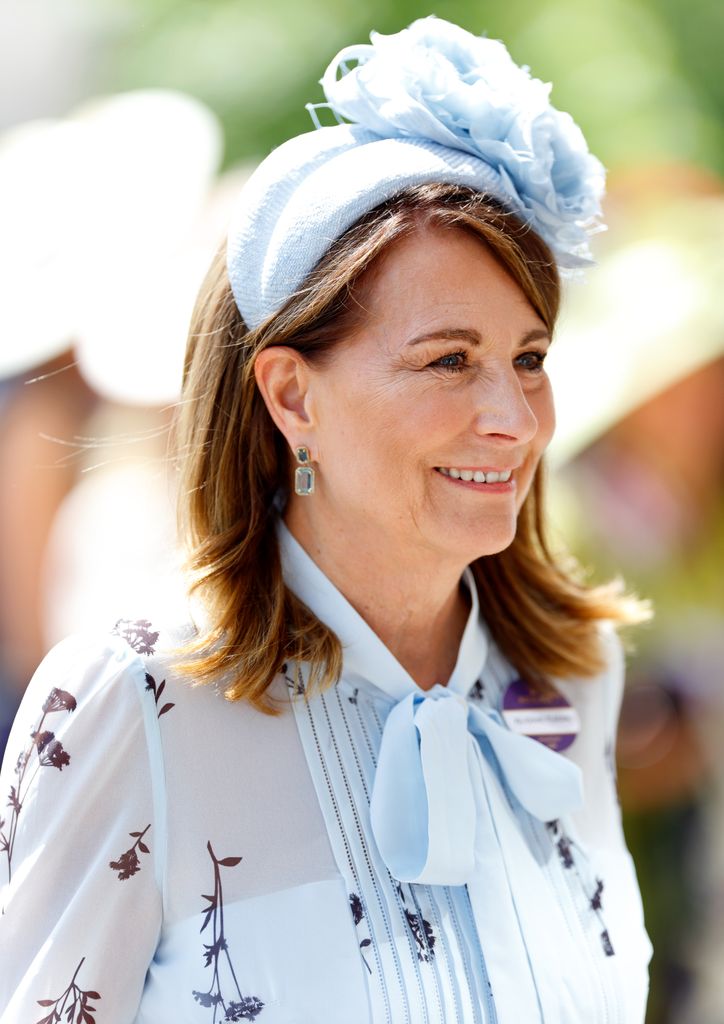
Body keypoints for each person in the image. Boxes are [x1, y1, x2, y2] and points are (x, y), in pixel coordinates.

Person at [0, 17, 652, 1023]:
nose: (515, 418)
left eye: (528, 357)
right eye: (447, 359)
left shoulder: (574, 673)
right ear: (291, 397)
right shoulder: (132, 700)